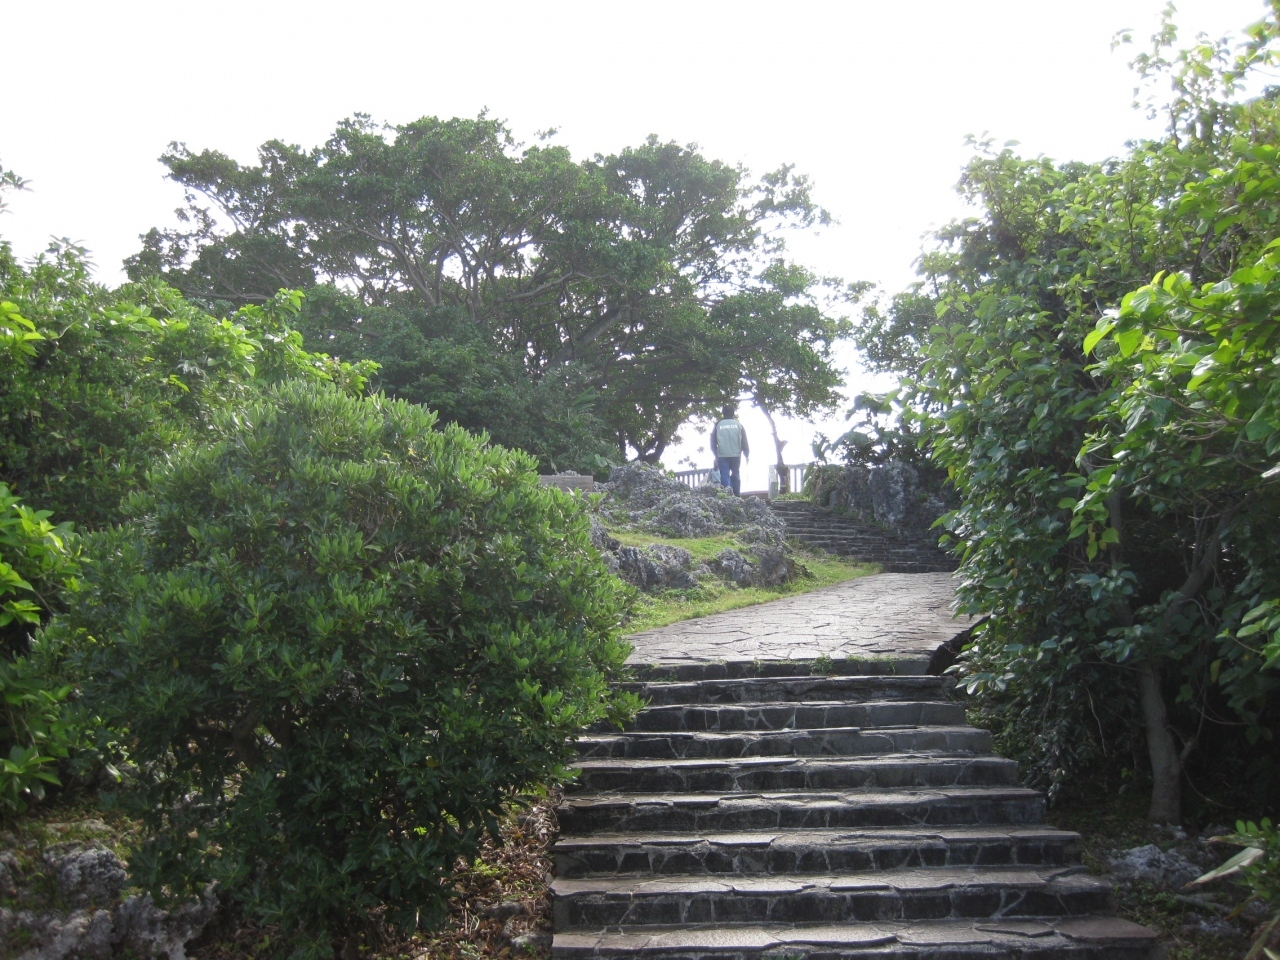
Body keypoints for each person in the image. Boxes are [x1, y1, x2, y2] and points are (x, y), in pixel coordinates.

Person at [709, 404, 749, 496]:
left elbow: (712, 442)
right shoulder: (739, 425)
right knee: (735, 473)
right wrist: (747, 454)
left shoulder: (718, 425)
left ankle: (727, 495)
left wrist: (715, 453)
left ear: (723, 413)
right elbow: (744, 441)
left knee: (724, 474)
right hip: (736, 455)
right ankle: (737, 494)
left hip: (722, 455)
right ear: (733, 413)